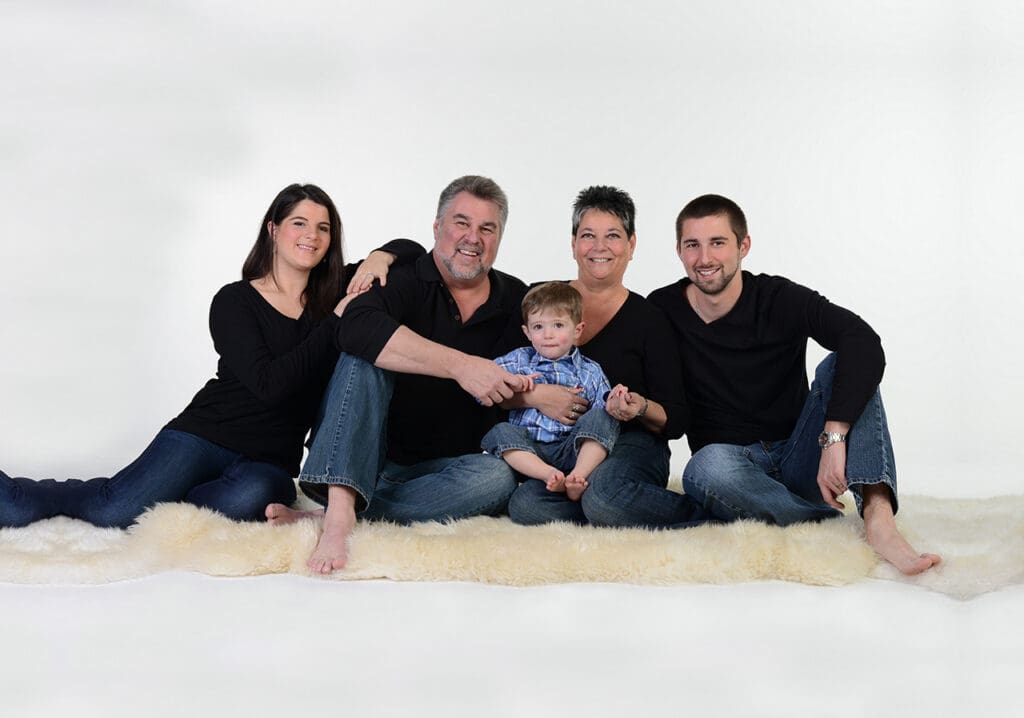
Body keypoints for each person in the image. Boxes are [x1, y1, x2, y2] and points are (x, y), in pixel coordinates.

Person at [0, 183, 422, 529]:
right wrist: (336, 321)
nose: (311, 235)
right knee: (112, 511)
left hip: (269, 458)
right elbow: (270, 386)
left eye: (323, 227)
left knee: (251, 500)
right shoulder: (235, 301)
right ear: (274, 230)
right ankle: (18, 494)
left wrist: (380, 255)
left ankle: (179, 493)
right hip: (204, 435)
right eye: (299, 223)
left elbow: (416, 254)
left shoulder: (339, 289)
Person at [648, 193, 941, 575]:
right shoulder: (662, 308)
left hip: (804, 453)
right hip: (731, 468)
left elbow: (863, 340)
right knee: (702, 469)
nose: (705, 258)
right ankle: (814, 518)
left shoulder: (777, 297)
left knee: (846, 361)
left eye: (718, 243)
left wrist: (834, 437)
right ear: (679, 251)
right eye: (693, 245)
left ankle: (878, 516)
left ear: (744, 246)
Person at [266, 175, 530, 574]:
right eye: (461, 223)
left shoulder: (514, 297)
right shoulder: (405, 277)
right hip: (367, 456)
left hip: (443, 470)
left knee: (496, 478)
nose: (472, 237)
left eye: (486, 228)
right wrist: (462, 366)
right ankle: (339, 511)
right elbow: (353, 326)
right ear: (437, 227)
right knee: (364, 354)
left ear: (499, 237)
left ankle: (349, 508)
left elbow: (525, 373)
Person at [504, 186, 711, 527]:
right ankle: (605, 504)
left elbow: (675, 419)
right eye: (588, 235)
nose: (599, 247)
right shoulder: (539, 301)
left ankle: (704, 517)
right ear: (573, 244)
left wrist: (638, 407)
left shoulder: (650, 317)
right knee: (527, 505)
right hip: (562, 449)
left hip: (633, 444)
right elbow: (496, 382)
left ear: (631, 245)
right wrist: (537, 397)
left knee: (603, 497)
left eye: (613, 236)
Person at [481, 282, 619, 502]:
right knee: (501, 431)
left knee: (602, 418)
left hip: (571, 449)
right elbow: (481, 385)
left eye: (558, 325)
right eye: (538, 327)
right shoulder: (519, 360)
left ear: (577, 330)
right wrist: (513, 383)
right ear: (526, 332)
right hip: (530, 450)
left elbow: (603, 416)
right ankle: (548, 475)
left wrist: (616, 400)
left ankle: (577, 477)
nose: (548, 335)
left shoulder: (590, 371)